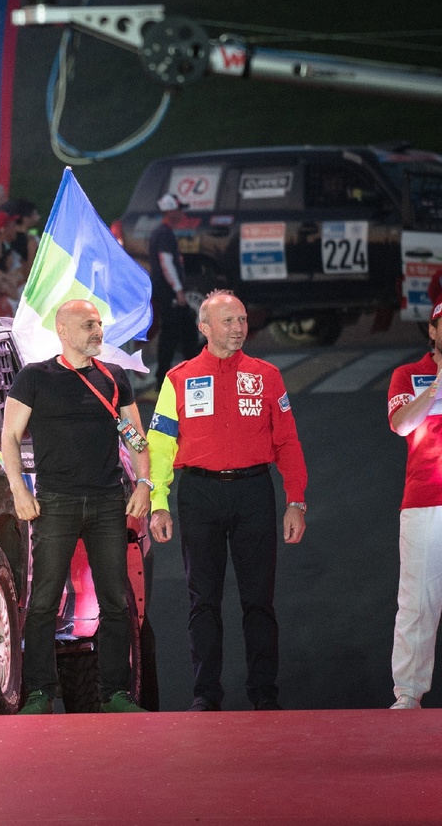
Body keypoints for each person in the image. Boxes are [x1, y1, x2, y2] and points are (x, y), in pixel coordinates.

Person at [148, 291, 307, 711]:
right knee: (204, 599)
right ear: (204, 328)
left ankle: (263, 692)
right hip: (199, 495)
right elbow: (160, 445)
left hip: (254, 492)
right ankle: (206, 694)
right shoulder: (178, 378)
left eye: (241, 320)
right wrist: (158, 500)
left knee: (259, 599)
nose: (239, 328)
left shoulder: (267, 375)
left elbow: (288, 441)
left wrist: (296, 500)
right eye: (228, 322)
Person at [0, 299, 151, 714]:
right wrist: (19, 489)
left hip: (107, 502)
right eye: (88, 325)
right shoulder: (35, 377)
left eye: (99, 324)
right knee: (44, 600)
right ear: (63, 331)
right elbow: (9, 436)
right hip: (56, 502)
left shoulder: (114, 377)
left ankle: (115, 693)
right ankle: (39, 693)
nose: (97, 331)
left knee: (116, 602)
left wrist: (144, 482)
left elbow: (136, 437)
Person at [386, 301, 442, 709]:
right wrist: (438, 385)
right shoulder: (409, 374)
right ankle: (408, 693)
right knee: (417, 601)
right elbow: (402, 424)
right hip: (425, 501)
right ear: (433, 331)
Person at [149, 193, 201, 391]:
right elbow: (166, 263)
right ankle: (166, 378)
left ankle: (184, 374)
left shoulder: (164, 232)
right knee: (176, 333)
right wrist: (178, 290)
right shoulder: (164, 234)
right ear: (170, 211)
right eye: (179, 210)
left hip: (167, 292)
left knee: (182, 330)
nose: (181, 214)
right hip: (168, 292)